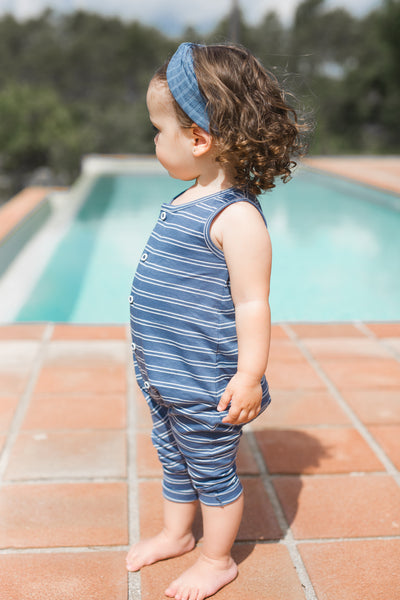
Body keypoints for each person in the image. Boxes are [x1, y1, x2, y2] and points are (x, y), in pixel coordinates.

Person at [126, 42, 304, 600]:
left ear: (199, 139)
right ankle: (179, 533)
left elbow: (253, 304)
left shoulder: (236, 217)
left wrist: (248, 377)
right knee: (173, 457)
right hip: (165, 373)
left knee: (211, 472)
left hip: (205, 381)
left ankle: (216, 558)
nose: (153, 140)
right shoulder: (188, 197)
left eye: (159, 130)